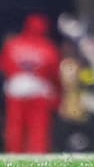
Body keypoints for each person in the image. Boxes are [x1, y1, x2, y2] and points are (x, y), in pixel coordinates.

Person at [0, 13, 60, 153]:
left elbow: (5, 66)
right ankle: (37, 153)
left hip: (17, 90)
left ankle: (15, 153)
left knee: (16, 125)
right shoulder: (48, 47)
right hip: (39, 91)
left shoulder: (13, 44)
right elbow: (54, 72)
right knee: (38, 127)